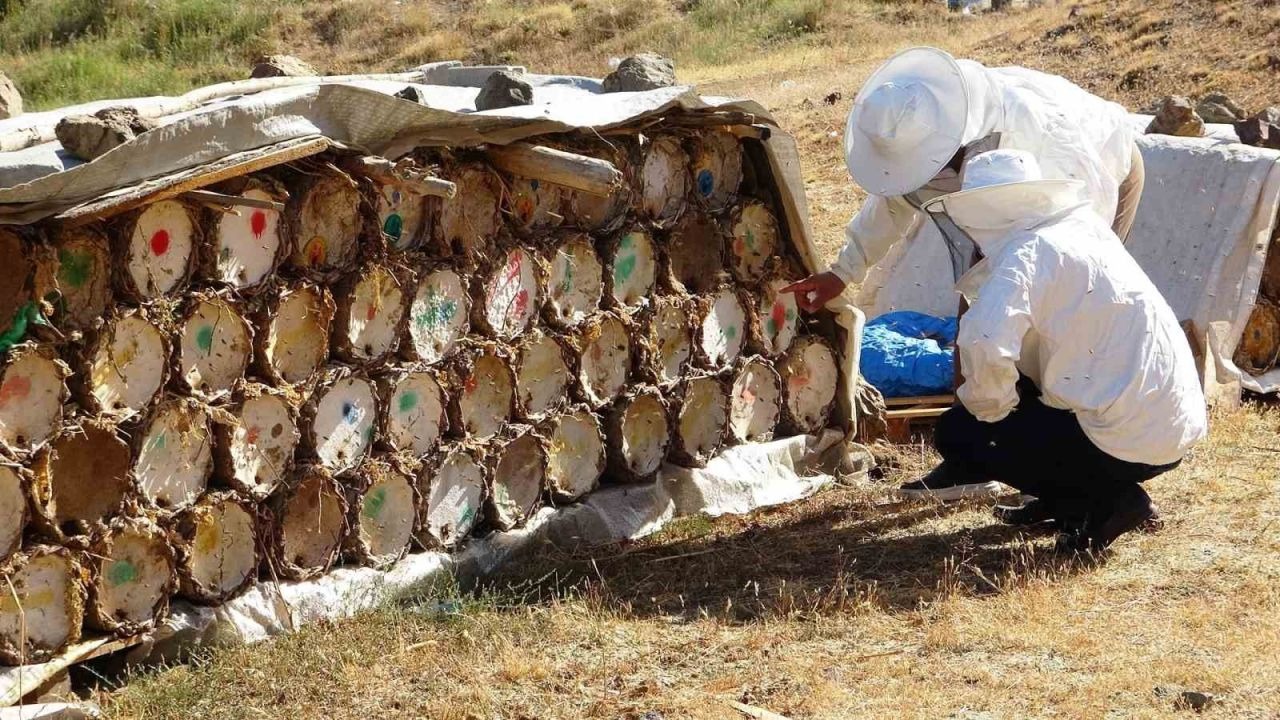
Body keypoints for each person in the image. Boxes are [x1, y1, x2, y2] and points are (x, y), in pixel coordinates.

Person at [785, 46, 1144, 499]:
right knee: (975, 315)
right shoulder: (919, 126)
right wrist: (842, 271)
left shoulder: (1039, 136)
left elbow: (1075, 245)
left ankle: (1067, 472)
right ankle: (974, 457)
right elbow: (894, 199)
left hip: (1100, 174)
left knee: (1062, 324)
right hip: (1012, 199)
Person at [906, 149, 1206, 551]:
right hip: (1171, 430)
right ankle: (1066, 502)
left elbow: (984, 341)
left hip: (1123, 437)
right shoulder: (1082, 230)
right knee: (1019, 399)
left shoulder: (1024, 255)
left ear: (984, 212)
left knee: (962, 432)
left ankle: (1113, 501)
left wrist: (989, 414)